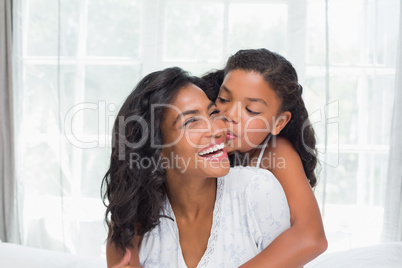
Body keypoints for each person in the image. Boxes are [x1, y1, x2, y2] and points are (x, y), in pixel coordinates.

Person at [102, 67, 290, 268]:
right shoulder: (132, 223)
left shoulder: (257, 190)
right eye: (192, 121)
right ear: (158, 150)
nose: (218, 130)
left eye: (213, 113)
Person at [201, 48, 328, 267]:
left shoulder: (276, 152)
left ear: (278, 123)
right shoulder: (207, 143)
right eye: (223, 99)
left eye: (251, 110)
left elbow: (312, 237)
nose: (230, 115)